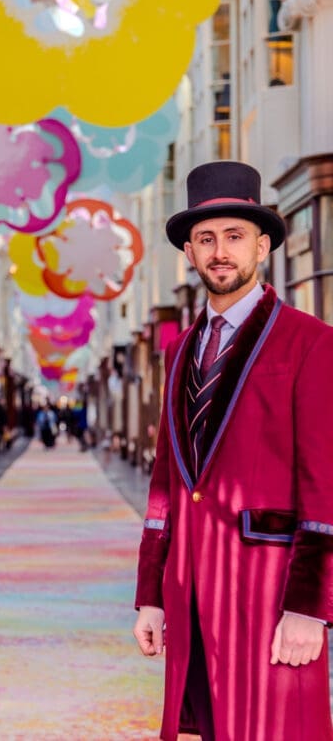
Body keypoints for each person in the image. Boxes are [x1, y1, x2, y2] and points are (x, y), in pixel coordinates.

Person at [133, 161, 333, 741]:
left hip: (270, 592)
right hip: (191, 586)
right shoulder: (178, 352)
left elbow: (325, 484)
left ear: (263, 245)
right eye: (205, 239)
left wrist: (311, 606)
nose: (220, 251)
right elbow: (167, 482)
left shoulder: (311, 343)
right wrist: (151, 595)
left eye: (234, 236)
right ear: (190, 254)